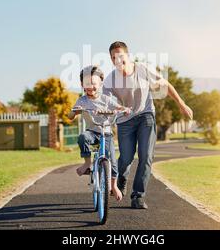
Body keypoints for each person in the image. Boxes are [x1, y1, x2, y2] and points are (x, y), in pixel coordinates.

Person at [103, 41, 193, 209]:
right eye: (113, 57)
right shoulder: (110, 80)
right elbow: (104, 102)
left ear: (128, 56)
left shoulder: (143, 69)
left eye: (120, 56)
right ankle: (120, 180)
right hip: (125, 120)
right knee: (126, 158)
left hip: (146, 115)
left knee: (146, 156)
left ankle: (138, 195)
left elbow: (165, 84)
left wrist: (182, 104)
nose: (118, 60)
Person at [68, 65, 131, 201]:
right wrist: (75, 111)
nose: (90, 87)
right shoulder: (82, 100)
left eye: (94, 84)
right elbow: (70, 115)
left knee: (113, 163)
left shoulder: (106, 99)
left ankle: (113, 186)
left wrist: (124, 109)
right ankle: (87, 163)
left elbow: (118, 107)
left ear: (100, 84)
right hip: (92, 133)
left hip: (106, 135)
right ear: (82, 85)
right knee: (83, 137)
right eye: (87, 84)